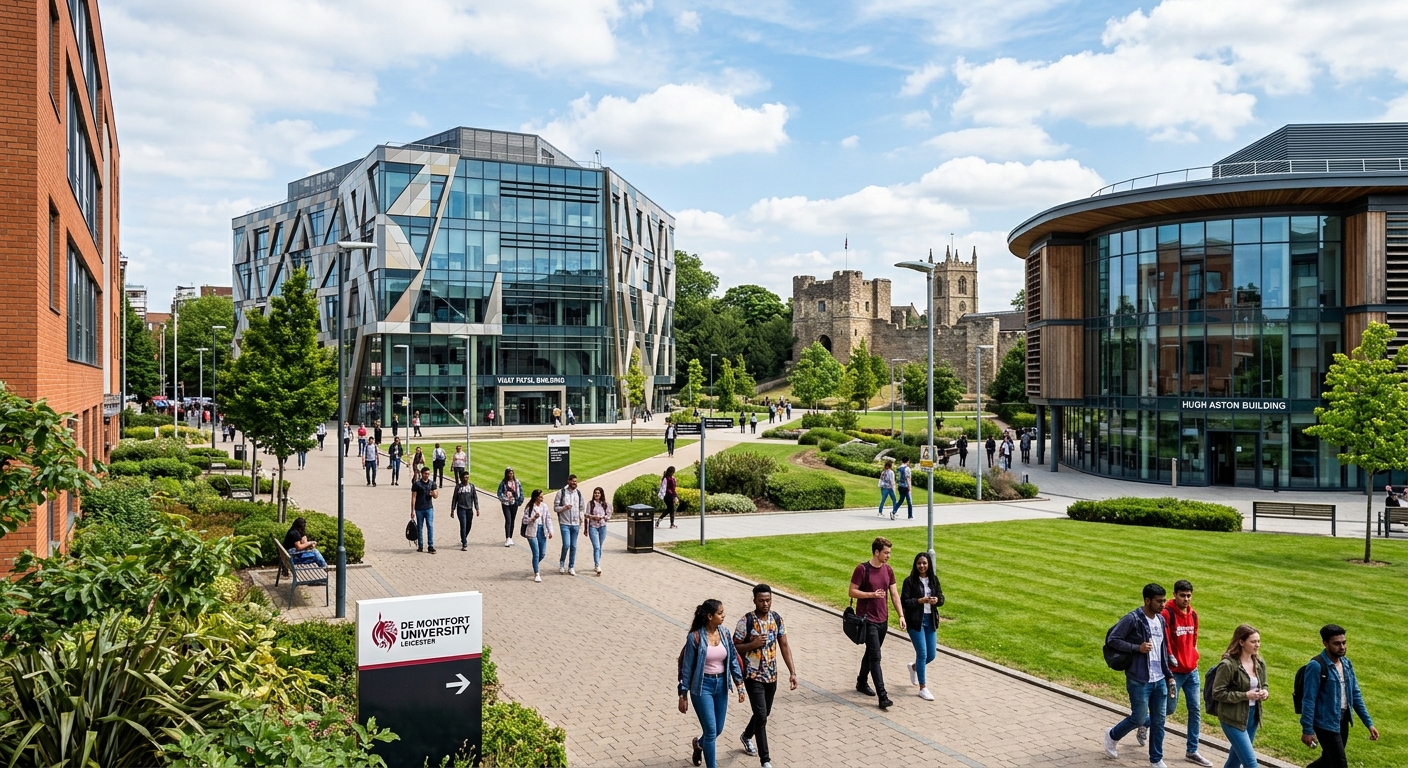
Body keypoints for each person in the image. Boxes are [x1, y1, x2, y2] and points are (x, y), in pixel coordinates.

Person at [1102, 583, 1173, 766]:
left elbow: (1162, 650)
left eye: (1164, 600)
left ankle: (1156, 759)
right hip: (1139, 679)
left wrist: (1169, 675)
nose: (1163, 604)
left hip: (1159, 680)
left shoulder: (1161, 620)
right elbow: (1113, 639)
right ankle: (1112, 735)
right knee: (1139, 718)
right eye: (1159, 601)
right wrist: (1137, 648)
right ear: (1147, 600)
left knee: (1159, 721)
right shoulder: (1133, 619)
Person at [733, 584, 797, 768]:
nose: (765, 604)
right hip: (753, 676)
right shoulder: (746, 621)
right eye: (761, 600)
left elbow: (784, 645)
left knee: (764, 713)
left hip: (772, 676)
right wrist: (752, 644)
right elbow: (734, 647)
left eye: (768, 600)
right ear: (754, 601)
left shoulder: (776, 619)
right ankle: (765, 760)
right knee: (761, 716)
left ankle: (746, 736)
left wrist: (793, 672)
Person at [1151, 580, 1213, 766]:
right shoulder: (1167, 614)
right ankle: (1143, 723)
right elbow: (1165, 641)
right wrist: (1170, 661)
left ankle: (1192, 750)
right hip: (1174, 673)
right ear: (1175, 595)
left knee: (1195, 709)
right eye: (1182, 595)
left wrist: (1194, 655)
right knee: (1168, 710)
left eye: (1189, 595)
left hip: (1191, 671)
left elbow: (1194, 639)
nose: (1186, 599)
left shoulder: (1193, 615)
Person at [678, 599, 744, 768]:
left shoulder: (725, 633)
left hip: (721, 685)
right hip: (702, 687)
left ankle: (699, 745)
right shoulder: (695, 637)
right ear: (709, 616)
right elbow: (687, 668)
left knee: (718, 729)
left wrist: (739, 684)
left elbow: (733, 660)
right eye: (720, 613)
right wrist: (682, 694)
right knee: (711, 731)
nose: (724, 616)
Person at [1301, 624, 1379, 768]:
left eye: (1344, 642)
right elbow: (1308, 699)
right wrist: (1307, 729)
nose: (1342, 647)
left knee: (1328, 760)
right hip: (1325, 723)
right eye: (1337, 644)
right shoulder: (1316, 666)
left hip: (1342, 721)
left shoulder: (1346, 663)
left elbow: (1355, 695)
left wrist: (1369, 724)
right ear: (1325, 643)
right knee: (1339, 764)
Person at [849, 537, 905, 710]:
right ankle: (883, 696)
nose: (888, 556)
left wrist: (901, 615)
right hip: (868, 620)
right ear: (876, 552)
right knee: (876, 657)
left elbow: (894, 594)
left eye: (889, 553)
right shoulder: (862, 569)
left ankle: (861, 682)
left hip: (883, 620)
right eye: (886, 553)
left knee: (871, 652)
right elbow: (852, 591)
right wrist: (871, 595)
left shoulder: (888, 570)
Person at [1210, 624, 1268, 768]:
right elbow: (1217, 693)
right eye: (1253, 642)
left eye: (1258, 641)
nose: (1257, 645)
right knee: (1251, 763)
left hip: (1252, 717)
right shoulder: (1228, 665)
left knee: (1235, 760)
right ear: (1241, 642)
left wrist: (1265, 692)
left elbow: (1264, 684)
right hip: (1232, 718)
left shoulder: (1259, 662)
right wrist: (1245, 695)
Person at [900, 551, 942, 701]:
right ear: (915, 565)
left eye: (924, 563)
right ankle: (923, 688)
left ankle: (914, 668)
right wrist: (919, 601)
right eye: (919, 563)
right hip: (915, 622)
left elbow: (942, 598)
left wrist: (936, 600)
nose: (922, 566)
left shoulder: (933, 580)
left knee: (931, 655)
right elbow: (904, 601)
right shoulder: (909, 581)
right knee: (922, 654)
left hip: (930, 620)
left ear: (928, 564)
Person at [554, 474, 585, 575]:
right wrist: (564, 508)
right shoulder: (561, 493)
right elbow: (555, 508)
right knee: (566, 544)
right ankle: (562, 563)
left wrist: (581, 517)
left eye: (575, 481)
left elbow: (581, 508)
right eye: (572, 481)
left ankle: (571, 566)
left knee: (574, 546)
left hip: (576, 524)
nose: (574, 483)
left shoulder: (579, 494)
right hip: (565, 523)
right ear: (568, 481)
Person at [522, 489, 553, 582]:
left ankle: (535, 564)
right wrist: (533, 518)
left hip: (542, 530)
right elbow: (524, 520)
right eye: (540, 496)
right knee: (536, 552)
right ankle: (537, 573)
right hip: (532, 531)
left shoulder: (544, 506)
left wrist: (550, 530)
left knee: (542, 553)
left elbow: (548, 519)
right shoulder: (530, 507)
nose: (542, 498)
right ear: (536, 497)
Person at [410, 466, 438, 554]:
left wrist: (433, 494)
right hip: (419, 509)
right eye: (425, 474)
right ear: (422, 474)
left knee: (430, 526)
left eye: (428, 474)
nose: (427, 475)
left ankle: (430, 545)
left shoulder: (432, 484)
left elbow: (436, 495)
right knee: (420, 527)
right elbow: (413, 497)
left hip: (429, 508)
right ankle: (420, 545)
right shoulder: (417, 484)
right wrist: (412, 510)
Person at [450, 475, 480, 551]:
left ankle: (464, 537)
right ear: (461, 478)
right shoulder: (458, 487)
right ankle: (464, 543)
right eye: (464, 477)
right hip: (461, 509)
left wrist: (477, 508)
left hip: (469, 509)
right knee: (463, 525)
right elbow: (454, 498)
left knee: (469, 525)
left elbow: (475, 498)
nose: (466, 479)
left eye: (467, 477)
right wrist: (452, 510)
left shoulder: (472, 486)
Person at [586, 486, 610, 575]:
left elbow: (608, 515)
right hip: (593, 526)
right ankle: (597, 564)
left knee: (600, 546)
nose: (597, 494)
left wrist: (604, 517)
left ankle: (597, 563)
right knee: (596, 546)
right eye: (595, 493)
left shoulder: (605, 504)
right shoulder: (590, 504)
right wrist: (593, 517)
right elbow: (586, 514)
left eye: (598, 493)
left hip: (602, 526)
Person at [497, 468, 523, 547]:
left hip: (514, 503)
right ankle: (507, 538)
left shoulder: (517, 482)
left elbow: (521, 492)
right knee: (508, 520)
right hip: (506, 504)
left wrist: (520, 501)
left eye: (512, 473)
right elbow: (499, 493)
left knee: (512, 520)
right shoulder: (503, 483)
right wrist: (505, 498)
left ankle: (510, 537)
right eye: (509, 473)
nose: (511, 475)